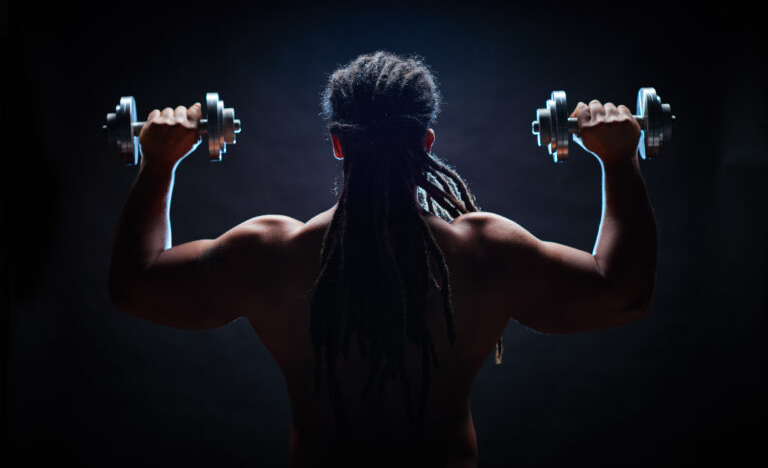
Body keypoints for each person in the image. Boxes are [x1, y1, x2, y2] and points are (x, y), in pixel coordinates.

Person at [108, 52, 657, 468]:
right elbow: (623, 293)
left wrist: (158, 164)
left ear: (337, 145)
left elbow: (135, 286)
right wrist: (618, 160)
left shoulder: (269, 253)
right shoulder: (487, 252)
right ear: (426, 142)